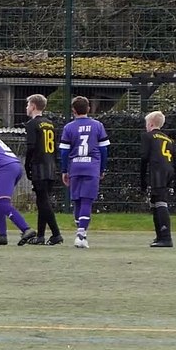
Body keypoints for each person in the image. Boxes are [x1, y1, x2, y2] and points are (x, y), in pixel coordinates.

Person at [58, 96, 109, 249]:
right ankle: (81, 235)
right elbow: (104, 149)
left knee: (77, 201)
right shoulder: (98, 125)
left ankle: (80, 233)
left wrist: (64, 170)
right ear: (88, 109)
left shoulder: (68, 128)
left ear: (73, 110)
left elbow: (64, 152)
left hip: (75, 166)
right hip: (91, 166)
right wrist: (102, 169)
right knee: (87, 201)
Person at [22, 94, 62, 245]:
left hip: (39, 166)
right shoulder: (49, 124)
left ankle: (56, 233)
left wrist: (27, 165)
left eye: (27, 105)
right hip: (50, 165)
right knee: (42, 201)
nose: (26, 108)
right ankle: (40, 236)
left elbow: (31, 147)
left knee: (43, 202)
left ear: (33, 106)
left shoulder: (32, 124)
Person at [139, 111, 176, 248]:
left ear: (150, 124)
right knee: (155, 201)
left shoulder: (147, 136)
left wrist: (142, 180)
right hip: (169, 170)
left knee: (160, 202)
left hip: (158, 171)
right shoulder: (168, 139)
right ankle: (160, 236)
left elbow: (144, 158)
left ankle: (166, 237)